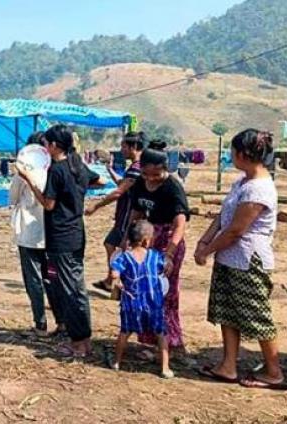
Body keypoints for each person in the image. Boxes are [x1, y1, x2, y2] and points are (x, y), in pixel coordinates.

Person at [194, 129, 287, 390]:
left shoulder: (260, 189)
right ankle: (228, 365)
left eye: (233, 151)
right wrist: (204, 242)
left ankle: (274, 372)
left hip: (249, 261)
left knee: (257, 316)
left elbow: (236, 230)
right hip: (229, 259)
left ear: (243, 154)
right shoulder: (242, 182)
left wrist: (206, 250)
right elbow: (223, 216)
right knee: (228, 312)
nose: (230, 155)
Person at [16, 124, 104, 358]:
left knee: (68, 289)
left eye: (46, 144)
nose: (45, 148)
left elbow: (48, 204)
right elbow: (100, 182)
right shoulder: (78, 166)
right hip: (76, 233)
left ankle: (78, 342)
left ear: (54, 146)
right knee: (77, 287)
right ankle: (84, 339)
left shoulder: (58, 170)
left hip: (60, 237)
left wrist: (29, 180)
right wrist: (76, 192)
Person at [128, 140, 189, 353]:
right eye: (146, 175)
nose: (151, 180)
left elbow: (180, 223)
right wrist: (127, 242)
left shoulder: (172, 188)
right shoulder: (139, 184)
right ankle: (148, 337)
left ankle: (170, 338)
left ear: (164, 169)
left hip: (168, 241)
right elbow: (135, 214)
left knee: (165, 292)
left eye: (156, 175)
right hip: (147, 240)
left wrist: (170, 254)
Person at [10, 132, 64, 337]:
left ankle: (40, 323)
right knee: (51, 278)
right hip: (52, 233)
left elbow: (13, 198)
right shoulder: (55, 171)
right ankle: (61, 321)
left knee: (34, 280)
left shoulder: (23, 175)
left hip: (29, 234)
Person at [109, 220, 173, 378]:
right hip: (154, 302)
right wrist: (167, 266)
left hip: (132, 303)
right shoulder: (155, 256)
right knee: (161, 333)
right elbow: (165, 268)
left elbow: (114, 273)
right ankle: (165, 368)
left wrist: (117, 280)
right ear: (146, 240)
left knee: (125, 332)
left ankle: (116, 362)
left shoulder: (124, 258)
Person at [86, 131, 146, 291]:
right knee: (111, 244)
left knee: (119, 246)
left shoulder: (136, 168)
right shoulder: (135, 168)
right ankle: (111, 278)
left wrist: (96, 206)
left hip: (128, 216)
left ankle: (117, 278)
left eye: (124, 146)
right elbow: (123, 183)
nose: (122, 150)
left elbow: (119, 191)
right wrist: (110, 169)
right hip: (124, 216)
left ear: (133, 147)